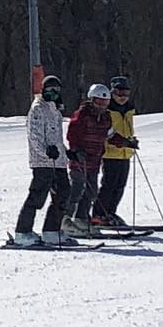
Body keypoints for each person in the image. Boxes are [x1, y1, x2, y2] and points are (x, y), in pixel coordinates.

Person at [12, 74, 73, 247]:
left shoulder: (55, 109)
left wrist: (67, 153)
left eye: (57, 90)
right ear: (43, 90)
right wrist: (46, 151)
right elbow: (34, 137)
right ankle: (22, 232)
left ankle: (51, 230)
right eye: (50, 89)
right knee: (38, 196)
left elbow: (56, 138)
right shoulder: (37, 108)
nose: (53, 93)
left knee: (63, 194)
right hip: (42, 161)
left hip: (57, 161)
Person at [63, 82, 113, 236]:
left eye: (105, 102)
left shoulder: (106, 118)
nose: (102, 105)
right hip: (80, 159)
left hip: (95, 160)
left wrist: (125, 142)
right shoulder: (82, 115)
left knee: (91, 192)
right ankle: (64, 219)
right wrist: (76, 150)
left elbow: (110, 135)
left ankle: (81, 218)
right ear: (92, 100)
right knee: (77, 189)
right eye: (99, 102)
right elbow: (72, 135)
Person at [93, 75, 138, 226]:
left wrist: (131, 140)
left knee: (120, 185)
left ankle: (111, 212)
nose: (122, 97)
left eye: (126, 94)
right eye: (119, 93)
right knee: (109, 184)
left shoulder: (129, 108)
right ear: (112, 92)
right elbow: (106, 131)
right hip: (110, 152)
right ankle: (99, 214)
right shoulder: (107, 108)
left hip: (125, 152)